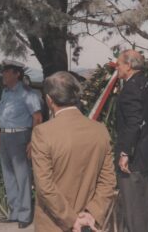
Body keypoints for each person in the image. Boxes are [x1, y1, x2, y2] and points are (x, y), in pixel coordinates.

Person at [31, 71, 116, 232]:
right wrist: (92, 213)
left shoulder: (43, 133)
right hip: (89, 221)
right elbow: (108, 181)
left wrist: (72, 219)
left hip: (54, 223)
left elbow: (44, 186)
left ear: (49, 100)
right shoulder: (100, 130)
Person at [114, 50, 148, 232]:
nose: (116, 67)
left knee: (134, 212)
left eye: (118, 64)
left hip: (134, 161)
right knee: (145, 209)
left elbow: (134, 123)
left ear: (128, 65)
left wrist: (125, 152)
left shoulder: (131, 88)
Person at [0, 60, 42, 229]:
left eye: (7, 71)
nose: (4, 74)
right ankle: (14, 212)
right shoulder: (5, 93)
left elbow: (37, 118)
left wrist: (32, 141)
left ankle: (24, 214)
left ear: (17, 74)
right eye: (4, 71)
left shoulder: (28, 94)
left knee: (22, 177)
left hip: (20, 136)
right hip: (5, 136)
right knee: (8, 176)